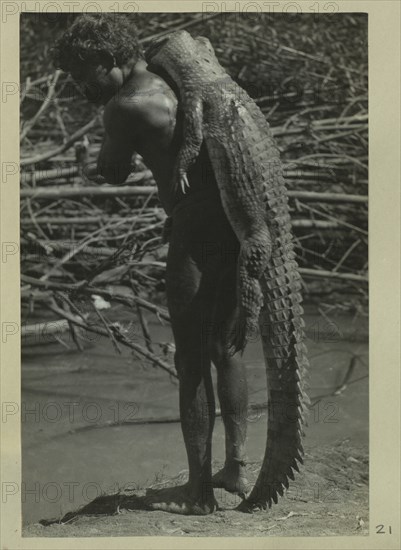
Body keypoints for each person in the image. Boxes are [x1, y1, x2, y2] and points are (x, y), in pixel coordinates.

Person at [53, 14, 248, 515]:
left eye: (82, 73)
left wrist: (93, 155)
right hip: (231, 222)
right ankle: (237, 467)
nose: (80, 86)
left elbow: (113, 173)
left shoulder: (124, 106)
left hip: (195, 229)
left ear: (109, 59)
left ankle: (200, 493)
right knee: (227, 348)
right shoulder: (174, 79)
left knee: (189, 362)